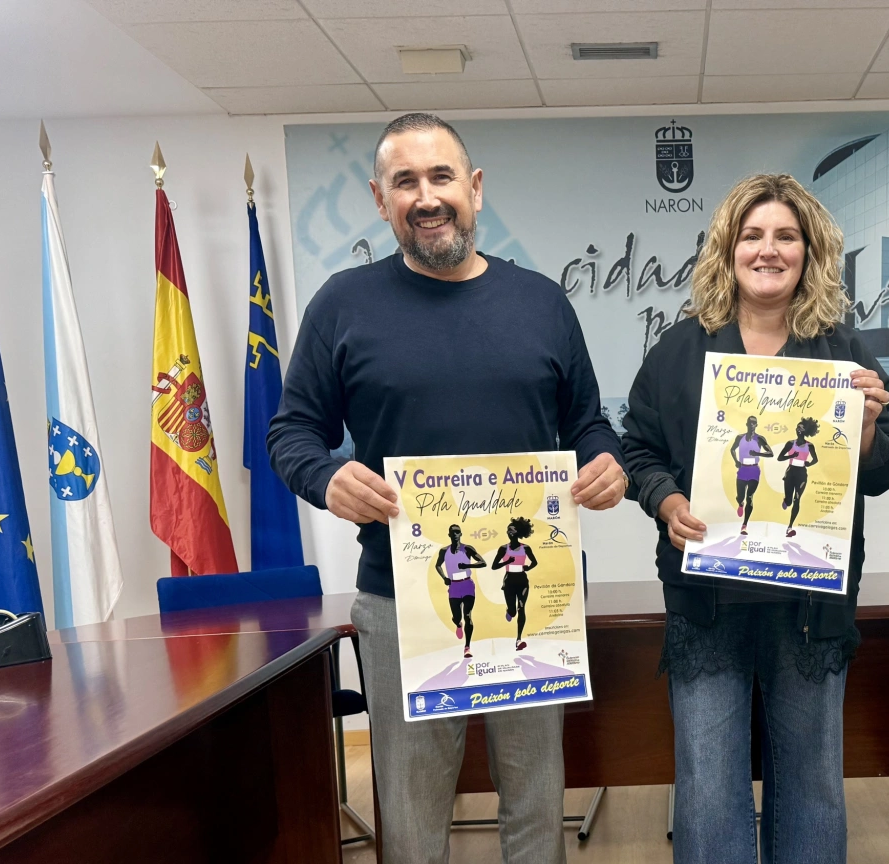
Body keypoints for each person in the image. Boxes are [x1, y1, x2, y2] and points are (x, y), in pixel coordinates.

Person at [268, 112, 627, 864]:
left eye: (441, 177)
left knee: (536, 805)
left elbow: (588, 424)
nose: (427, 197)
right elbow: (291, 433)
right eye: (405, 182)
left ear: (475, 188)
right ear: (380, 199)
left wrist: (606, 462)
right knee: (411, 817)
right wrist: (327, 476)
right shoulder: (342, 304)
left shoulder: (542, 303)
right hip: (401, 601)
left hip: (535, 601)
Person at [620, 173, 889, 864]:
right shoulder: (679, 350)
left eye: (786, 236)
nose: (768, 250)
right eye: (752, 236)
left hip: (810, 604)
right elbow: (638, 450)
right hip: (707, 601)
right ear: (728, 249)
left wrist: (868, 429)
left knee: (811, 783)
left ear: (810, 252)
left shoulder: (843, 352)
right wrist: (666, 500)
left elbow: (880, 472)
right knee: (708, 786)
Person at [435, 523, 487, 658]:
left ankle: (467, 647)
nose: (455, 534)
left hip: (467, 584)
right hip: (454, 586)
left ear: (461, 534)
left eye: (457, 532)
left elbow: (483, 562)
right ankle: (458, 624)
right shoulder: (444, 551)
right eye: (453, 532)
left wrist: (467, 565)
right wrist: (444, 578)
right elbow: (438, 565)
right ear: (449, 535)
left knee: (468, 615)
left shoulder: (467, 549)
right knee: (457, 617)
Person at [492, 517, 539, 651]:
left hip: (522, 581)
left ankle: (519, 640)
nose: (509, 532)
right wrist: (507, 562)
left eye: (512, 530)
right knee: (513, 611)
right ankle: (509, 611)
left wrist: (528, 568)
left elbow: (534, 562)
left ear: (518, 532)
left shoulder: (526, 548)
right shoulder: (503, 549)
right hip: (509, 581)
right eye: (508, 530)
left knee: (521, 608)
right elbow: (494, 566)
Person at [777, 416, 821, 537]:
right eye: (797, 427)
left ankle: (790, 527)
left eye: (801, 428)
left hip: (802, 474)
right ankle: (786, 500)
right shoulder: (790, 444)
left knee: (797, 499)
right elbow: (780, 458)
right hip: (790, 472)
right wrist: (791, 456)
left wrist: (809, 464)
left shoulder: (810, 446)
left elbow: (815, 460)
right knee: (789, 501)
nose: (798, 429)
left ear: (806, 431)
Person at [730, 415, 773, 533]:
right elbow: (732, 449)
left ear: (756, 425)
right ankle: (740, 503)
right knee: (740, 497)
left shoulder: (760, 439)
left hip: (754, 470)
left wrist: (758, 454)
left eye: (754, 423)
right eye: (750, 422)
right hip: (742, 469)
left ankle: (744, 525)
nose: (751, 425)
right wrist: (736, 461)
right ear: (746, 424)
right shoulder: (740, 438)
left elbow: (770, 453)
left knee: (750, 497)